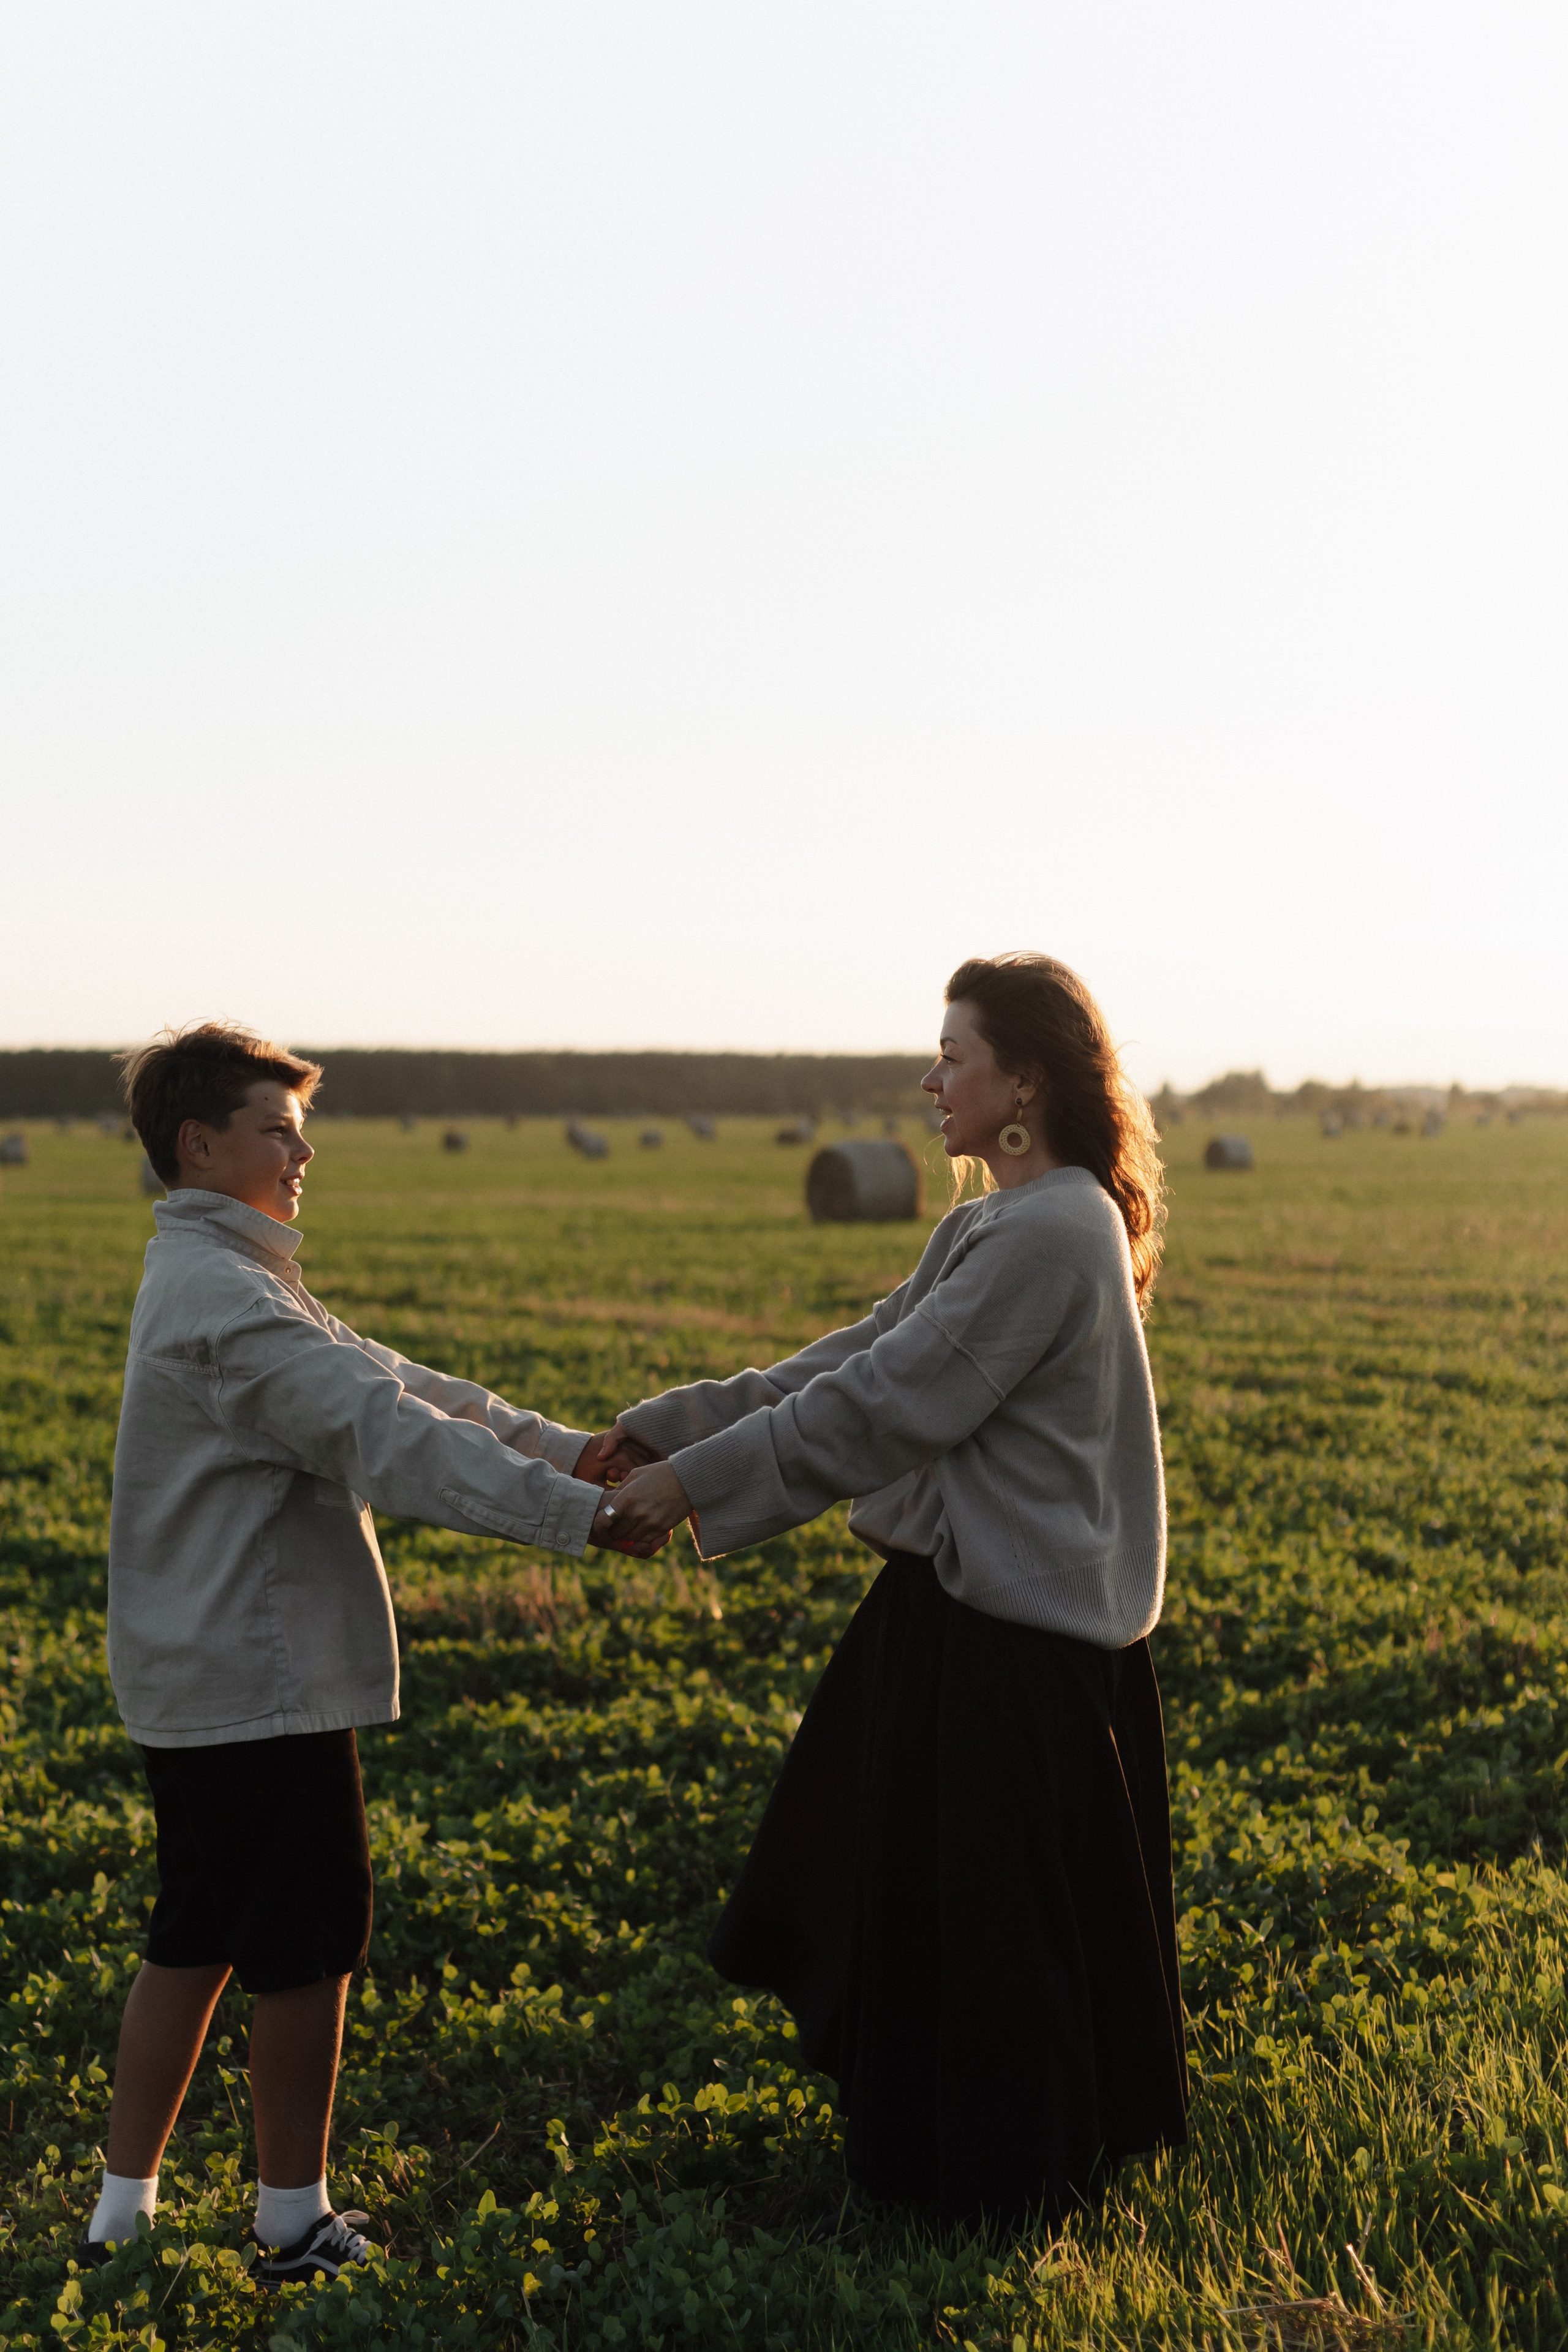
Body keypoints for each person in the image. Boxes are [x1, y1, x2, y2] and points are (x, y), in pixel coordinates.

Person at [597, 953, 1188, 2225]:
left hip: (1016, 1642)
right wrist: (663, 1433)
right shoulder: (991, 1220)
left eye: (952, 1056)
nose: (929, 1080)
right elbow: (852, 1356)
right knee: (921, 1903)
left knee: (989, 1935)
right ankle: (935, 2165)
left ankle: (996, 2191)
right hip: (954, 1615)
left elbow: (883, 1407)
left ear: (1021, 1078)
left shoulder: (1055, 1226)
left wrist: (691, 1487)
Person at [85, 1023, 639, 2280]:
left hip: (204, 1672)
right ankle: (290, 2227)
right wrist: (580, 1515)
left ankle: (121, 2218)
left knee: (197, 1931)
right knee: (306, 1946)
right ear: (200, 1144)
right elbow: (377, 1432)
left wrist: (558, 1449)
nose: (303, 1150)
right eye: (279, 1129)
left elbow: (393, 1381)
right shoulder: (228, 1299)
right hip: (257, 1680)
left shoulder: (229, 1274)